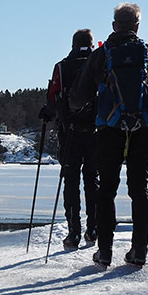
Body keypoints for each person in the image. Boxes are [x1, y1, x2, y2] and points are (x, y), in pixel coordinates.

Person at [70, 3, 148, 269]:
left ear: (113, 26)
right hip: (142, 129)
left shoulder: (102, 54)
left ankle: (105, 253)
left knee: (106, 190)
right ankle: (138, 251)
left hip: (109, 129)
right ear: (137, 26)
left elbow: (77, 98)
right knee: (139, 189)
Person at [39, 29, 99, 251]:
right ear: (91, 44)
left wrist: (48, 113)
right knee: (93, 180)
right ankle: (93, 229)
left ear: (73, 44)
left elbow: (53, 98)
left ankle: (73, 232)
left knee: (71, 181)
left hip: (70, 132)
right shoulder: (100, 63)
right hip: (96, 132)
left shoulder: (62, 66)